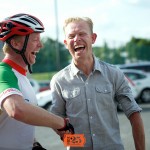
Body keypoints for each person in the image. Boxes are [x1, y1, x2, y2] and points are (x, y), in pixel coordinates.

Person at [50, 17, 145, 150]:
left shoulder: (114, 74)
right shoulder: (59, 80)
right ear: (66, 43)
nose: (76, 39)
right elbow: (56, 120)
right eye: (71, 36)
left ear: (93, 38)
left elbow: (134, 113)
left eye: (82, 34)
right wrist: (77, 143)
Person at [0, 13, 74, 150]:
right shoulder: (3, 73)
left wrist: (32, 142)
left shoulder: (20, 76)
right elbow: (16, 109)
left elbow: (12, 126)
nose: (41, 45)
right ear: (15, 43)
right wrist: (61, 123)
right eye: (35, 40)